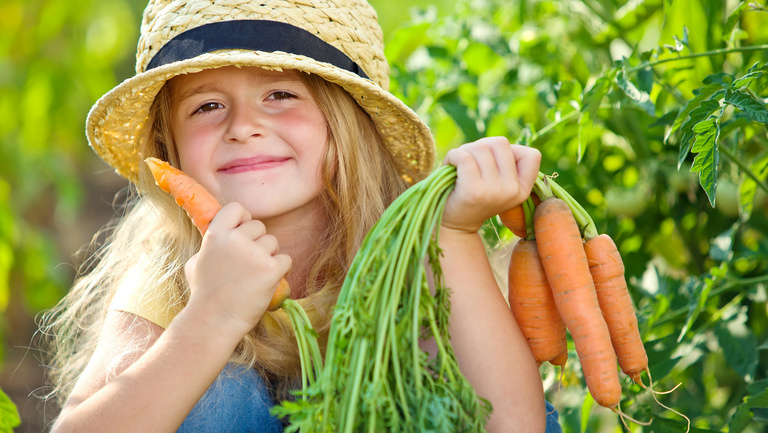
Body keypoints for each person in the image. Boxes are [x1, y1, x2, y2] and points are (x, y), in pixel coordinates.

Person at [40, 0, 562, 432]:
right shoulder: (170, 271)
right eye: (207, 106)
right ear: (169, 148)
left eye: (280, 94)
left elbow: (513, 424)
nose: (244, 126)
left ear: (346, 125)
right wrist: (211, 317)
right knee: (224, 391)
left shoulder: (405, 251)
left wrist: (456, 233)